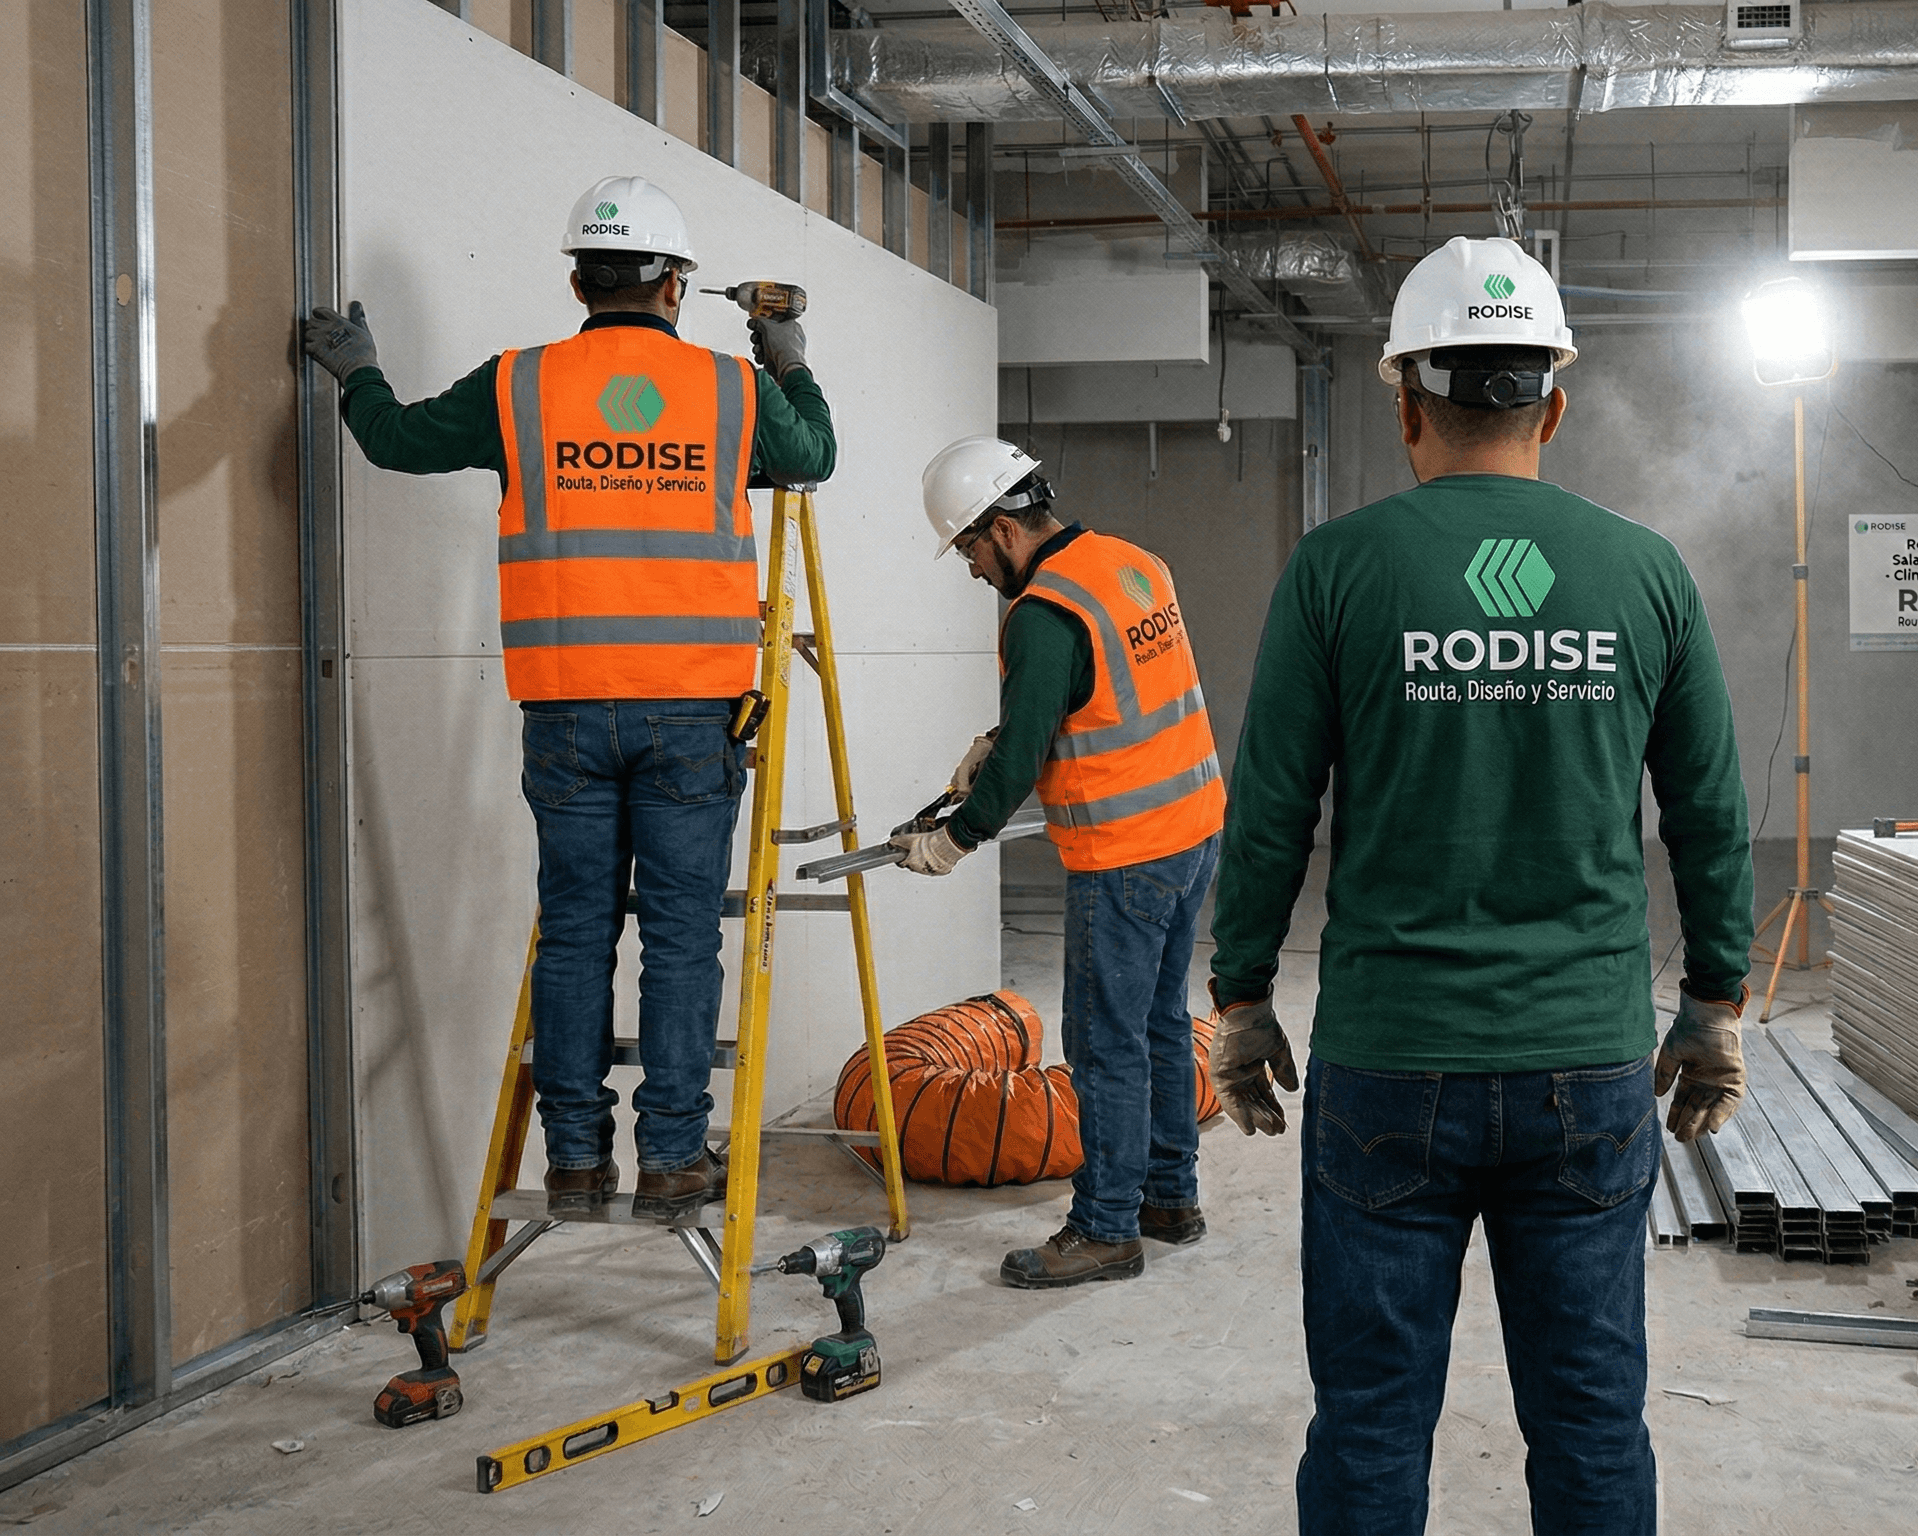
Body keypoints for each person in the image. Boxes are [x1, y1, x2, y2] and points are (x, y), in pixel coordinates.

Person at [1202, 236, 1756, 1536]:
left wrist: (1240, 999)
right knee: (1589, 1418)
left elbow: (1273, 810)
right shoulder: (1647, 574)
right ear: (1551, 404)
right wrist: (1716, 1004)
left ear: (1404, 402)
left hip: (1390, 1066)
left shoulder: (1340, 571)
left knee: (1372, 1417)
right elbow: (1710, 812)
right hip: (1585, 1069)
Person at [299, 176, 835, 1223]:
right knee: (683, 936)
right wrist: (790, 360)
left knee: (579, 929)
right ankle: (674, 1156)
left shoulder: (520, 386)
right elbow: (811, 458)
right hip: (692, 712)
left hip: (567, 712)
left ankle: (578, 1163)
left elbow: (396, 440)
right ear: (677, 285)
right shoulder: (731, 392)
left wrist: (359, 375)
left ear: (578, 279)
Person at [904, 437, 1226, 1289]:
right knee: (1157, 1024)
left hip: (1125, 858)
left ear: (1002, 529)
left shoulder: (1042, 613)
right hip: (1193, 831)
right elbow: (1103, 693)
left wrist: (954, 837)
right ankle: (1169, 1197)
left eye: (969, 549)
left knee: (1105, 1045)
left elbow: (1024, 764)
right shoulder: (1131, 563)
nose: (973, 569)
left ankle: (1106, 1228)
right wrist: (1000, 738)